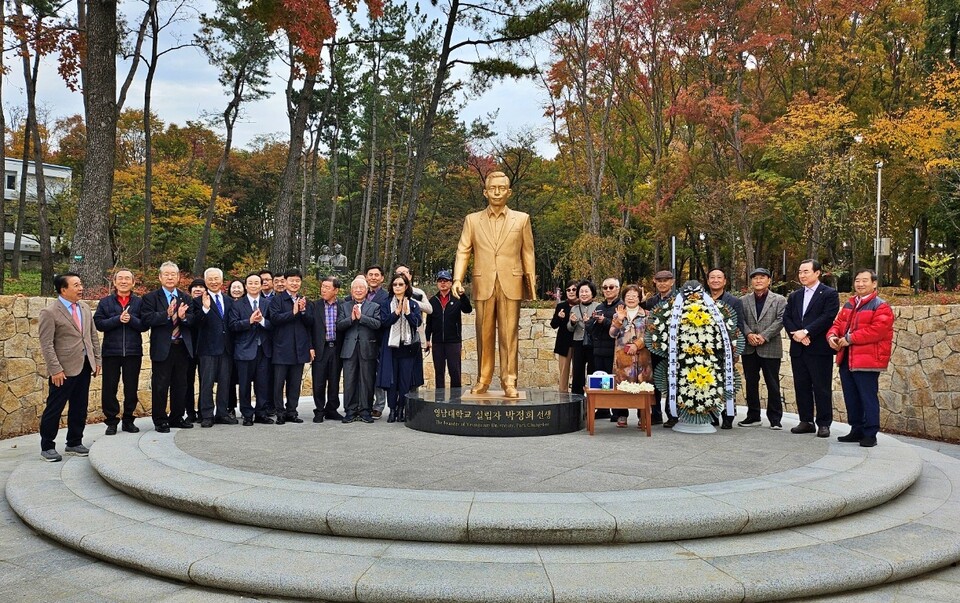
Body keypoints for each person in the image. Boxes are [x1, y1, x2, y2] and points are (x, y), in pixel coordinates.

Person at [453, 170, 536, 398]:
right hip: (484, 282)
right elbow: (463, 250)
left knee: (509, 335)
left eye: (501, 188)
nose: (497, 192)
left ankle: (510, 381)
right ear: (485, 192)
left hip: (512, 282)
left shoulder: (522, 219)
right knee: (484, 334)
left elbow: (528, 252)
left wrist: (530, 285)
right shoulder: (472, 220)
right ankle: (483, 380)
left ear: (509, 192)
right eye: (492, 188)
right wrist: (458, 279)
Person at [38, 273, 102, 461]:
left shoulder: (84, 307)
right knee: (54, 408)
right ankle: (47, 446)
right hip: (63, 370)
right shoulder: (50, 312)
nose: (81, 288)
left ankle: (74, 442)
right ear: (63, 289)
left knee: (80, 406)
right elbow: (47, 344)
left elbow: (92, 336)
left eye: (80, 284)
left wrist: (97, 360)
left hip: (84, 366)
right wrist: (55, 370)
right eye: (76, 285)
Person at [827, 269, 894, 448]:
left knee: (867, 397)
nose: (860, 284)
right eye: (857, 280)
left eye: (865, 281)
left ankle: (870, 433)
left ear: (874, 284)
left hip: (868, 360)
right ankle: (856, 429)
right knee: (851, 397)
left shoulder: (881, 306)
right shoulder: (849, 304)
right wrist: (832, 337)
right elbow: (837, 324)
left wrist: (849, 339)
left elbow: (877, 331)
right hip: (846, 358)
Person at [783, 259, 840, 438]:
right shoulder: (794, 296)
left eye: (806, 271)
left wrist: (807, 332)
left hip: (819, 349)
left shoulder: (829, 293)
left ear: (817, 273)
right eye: (800, 272)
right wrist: (797, 334)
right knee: (802, 386)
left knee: (821, 387)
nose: (802, 275)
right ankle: (806, 421)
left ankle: (824, 423)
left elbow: (828, 316)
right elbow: (787, 317)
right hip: (799, 349)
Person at [141, 262, 194, 433]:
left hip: (182, 347)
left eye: (173, 274)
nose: (170, 277)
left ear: (179, 277)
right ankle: (160, 420)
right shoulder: (151, 298)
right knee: (160, 385)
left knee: (181, 385)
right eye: (166, 274)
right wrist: (167, 315)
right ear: (160, 277)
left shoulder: (185, 297)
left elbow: (194, 320)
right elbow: (147, 319)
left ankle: (177, 417)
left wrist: (183, 317)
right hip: (163, 348)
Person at [94, 269, 145, 435]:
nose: (124, 281)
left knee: (131, 388)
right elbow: (99, 324)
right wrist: (117, 319)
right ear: (114, 282)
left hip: (133, 352)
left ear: (133, 283)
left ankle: (128, 419)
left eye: (127, 279)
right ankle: (111, 421)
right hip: (111, 352)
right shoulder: (105, 302)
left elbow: (145, 324)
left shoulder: (139, 302)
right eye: (120, 279)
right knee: (109, 388)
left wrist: (131, 320)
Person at [739, 268, 787, 429]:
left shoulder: (779, 300)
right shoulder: (744, 300)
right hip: (749, 346)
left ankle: (775, 419)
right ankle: (753, 416)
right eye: (755, 278)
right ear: (751, 281)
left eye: (762, 278)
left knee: (772, 383)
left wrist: (764, 336)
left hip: (770, 346)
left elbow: (781, 320)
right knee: (751, 382)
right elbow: (740, 320)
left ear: (769, 281)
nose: (758, 281)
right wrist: (749, 334)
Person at [269, 268, 314, 424]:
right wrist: (293, 312)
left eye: (297, 281)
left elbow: (310, 323)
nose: (294, 283)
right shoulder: (277, 300)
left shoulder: (304, 300)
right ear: (285, 282)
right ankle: (280, 412)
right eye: (291, 280)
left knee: (295, 384)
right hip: (281, 348)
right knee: (278, 384)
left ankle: (292, 412)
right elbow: (274, 319)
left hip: (299, 348)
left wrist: (302, 312)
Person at [377, 274, 424, 422]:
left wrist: (408, 313)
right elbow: (383, 323)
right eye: (395, 284)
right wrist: (396, 313)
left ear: (406, 287)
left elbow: (417, 323)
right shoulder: (385, 304)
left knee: (405, 381)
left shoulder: (414, 304)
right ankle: (392, 410)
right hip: (391, 348)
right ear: (391, 287)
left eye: (401, 284)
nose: (397, 287)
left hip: (408, 348)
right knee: (392, 382)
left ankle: (401, 409)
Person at [229, 273, 274, 426]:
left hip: (263, 350)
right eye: (250, 283)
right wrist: (248, 321)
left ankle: (261, 413)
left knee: (262, 384)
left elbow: (274, 325)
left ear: (261, 286)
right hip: (244, 350)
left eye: (257, 283)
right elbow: (233, 325)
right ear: (246, 286)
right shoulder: (237, 304)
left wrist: (261, 321)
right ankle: (247, 414)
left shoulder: (267, 303)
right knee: (245, 384)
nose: (254, 285)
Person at [338, 276, 382, 423]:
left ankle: (365, 410)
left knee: (367, 380)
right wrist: (351, 318)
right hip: (349, 348)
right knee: (349, 380)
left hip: (367, 348)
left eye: (361, 288)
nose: (358, 290)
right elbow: (339, 325)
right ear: (351, 291)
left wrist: (361, 317)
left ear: (366, 290)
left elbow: (377, 324)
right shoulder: (344, 306)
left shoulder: (374, 306)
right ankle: (350, 410)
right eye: (355, 288)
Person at [706, 268, 745, 429]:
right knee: (708, 383)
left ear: (724, 281)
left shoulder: (734, 302)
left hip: (726, 351)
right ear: (708, 281)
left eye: (719, 277)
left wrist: (735, 350)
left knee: (727, 382)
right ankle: (712, 414)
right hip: (706, 351)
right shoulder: (702, 300)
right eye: (712, 277)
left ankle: (728, 415)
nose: (715, 280)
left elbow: (739, 327)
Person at [609, 284, 653, 428]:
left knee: (642, 385)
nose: (631, 298)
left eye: (634, 296)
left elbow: (651, 335)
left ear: (640, 298)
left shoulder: (647, 315)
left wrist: (637, 345)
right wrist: (619, 320)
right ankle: (622, 415)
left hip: (642, 358)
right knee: (622, 384)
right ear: (624, 298)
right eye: (628, 296)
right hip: (623, 358)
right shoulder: (618, 314)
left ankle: (643, 416)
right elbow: (612, 334)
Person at [425, 269, 472, 390]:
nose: (443, 283)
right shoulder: (433, 301)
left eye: (445, 281)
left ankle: (456, 399)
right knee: (439, 372)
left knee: (455, 371)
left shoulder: (456, 299)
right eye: (440, 281)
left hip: (453, 342)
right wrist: (427, 339)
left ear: (450, 283)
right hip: (437, 342)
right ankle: (439, 400)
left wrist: (462, 295)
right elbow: (429, 322)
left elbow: (468, 309)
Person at [644, 270, 677, 426]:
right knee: (655, 380)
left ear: (672, 281)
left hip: (674, 349)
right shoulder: (651, 302)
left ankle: (672, 414)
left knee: (672, 381)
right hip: (655, 347)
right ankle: (655, 413)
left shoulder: (679, 300)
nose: (662, 283)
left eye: (666, 280)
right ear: (655, 282)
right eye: (659, 280)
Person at [310, 276, 344, 422]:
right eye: (322, 286)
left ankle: (332, 409)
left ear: (335, 290)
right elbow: (309, 328)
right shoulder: (315, 305)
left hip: (336, 348)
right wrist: (310, 346)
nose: (323, 290)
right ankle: (319, 410)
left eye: (327, 287)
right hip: (320, 348)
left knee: (334, 380)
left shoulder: (343, 305)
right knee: (318, 381)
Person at [591, 277, 622, 421]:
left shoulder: (621, 307)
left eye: (611, 287)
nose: (608, 290)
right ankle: (602, 409)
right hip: (598, 349)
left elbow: (621, 328)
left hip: (614, 350)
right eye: (605, 288)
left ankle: (617, 412)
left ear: (618, 289)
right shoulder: (599, 307)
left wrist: (605, 321)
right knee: (600, 379)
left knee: (615, 382)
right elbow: (591, 329)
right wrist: (591, 321)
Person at [365, 265, 390, 418]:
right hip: (362, 340)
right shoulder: (360, 293)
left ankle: (379, 405)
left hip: (380, 340)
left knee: (378, 374)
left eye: (376, 275)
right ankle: (365, 403)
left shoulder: (386, 296)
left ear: (382, 278)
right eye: (370, 275)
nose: (373, 278)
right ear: (366, 277)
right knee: (365, 374)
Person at [568, 280, 599, 396]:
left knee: (593, 371)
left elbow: (600, 328)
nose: (584, 294)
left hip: (593, 343)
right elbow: (569, 328)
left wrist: (589, 322)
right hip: (578, 343)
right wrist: (572, 322)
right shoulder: (574, 309)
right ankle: (576, 401)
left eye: (587, 291)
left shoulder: (598, 307)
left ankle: (593, 401)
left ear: (592, 293)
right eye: (581, 291)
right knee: (578, 372)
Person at [183, 279, 206, 422]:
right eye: (195, 287)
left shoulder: (210, 305)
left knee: (205, 381)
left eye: (201, 287)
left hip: (205, 348)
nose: (198, 289)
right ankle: (190, 412)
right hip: (188, 349)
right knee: (187, 381)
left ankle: (204, 411)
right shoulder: (186, 304)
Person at [550, 279, 579, 393]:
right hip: (564, 344)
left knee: (578, 372)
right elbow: (553, 325)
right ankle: (563, 397)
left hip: (578, 344)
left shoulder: (583, 305)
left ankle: (577, 396)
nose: (571, 292)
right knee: (563, 372)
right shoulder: (561, 306)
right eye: (568, 290)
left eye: (574, 289)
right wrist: (559, 317)